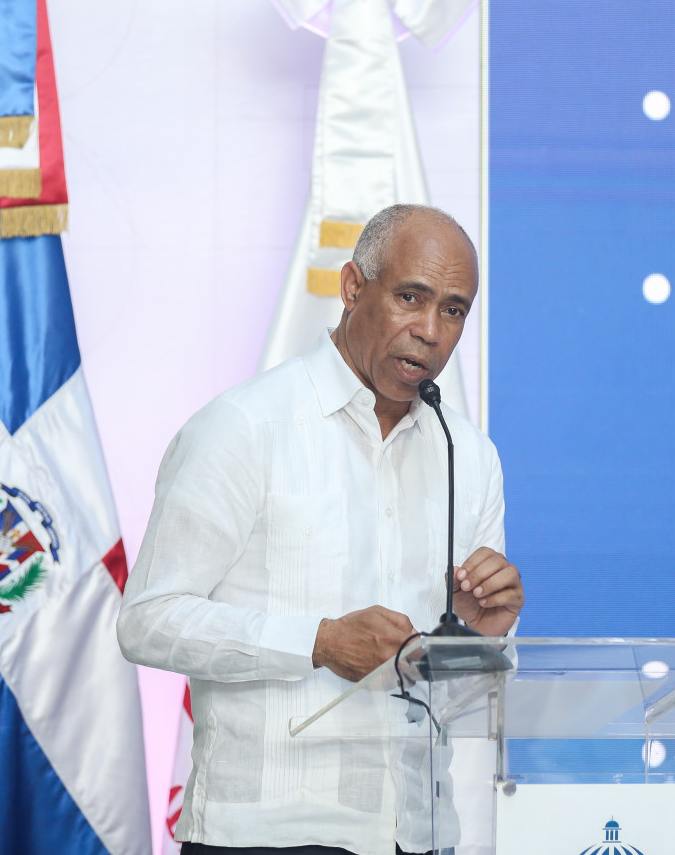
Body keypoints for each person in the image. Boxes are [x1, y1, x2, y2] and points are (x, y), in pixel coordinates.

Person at [117, 204, 524, 855]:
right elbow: (148, 619)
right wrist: (317, 641)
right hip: (266, 836)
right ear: (353, 287)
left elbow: (464, 698)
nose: (429, 331)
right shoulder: (245, 428)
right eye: (410, 297)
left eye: (453, 311)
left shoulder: (469, 456)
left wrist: (481, 635)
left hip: (418, 833)